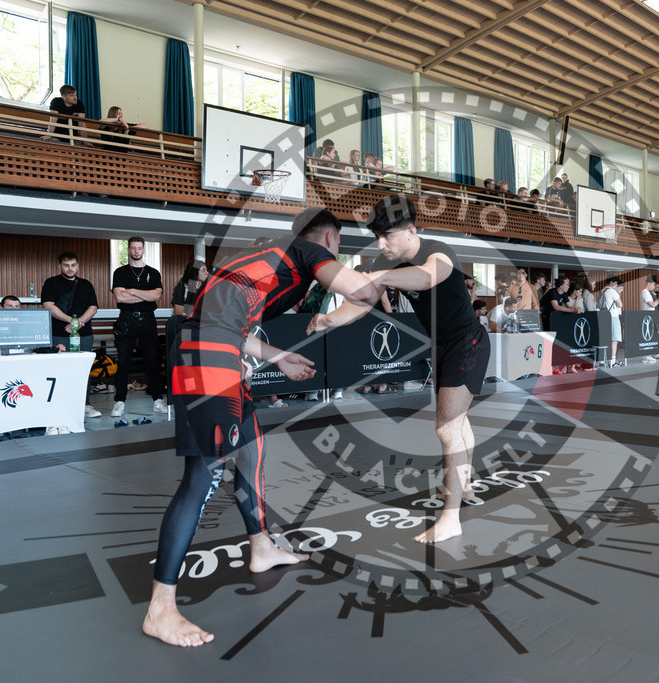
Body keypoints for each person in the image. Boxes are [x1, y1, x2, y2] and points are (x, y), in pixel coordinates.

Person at [143, 207, 379, 647]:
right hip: (206, 356)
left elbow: (226, 320)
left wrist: (277, 357)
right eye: (336, 248)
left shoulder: (266, 254)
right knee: (204, 476)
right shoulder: (308, 250)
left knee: (252, 444)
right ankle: (160, 607)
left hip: (216, 347)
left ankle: (262, 546)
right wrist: (334, 315)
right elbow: (363, 291)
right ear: (328, 240)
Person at [308, 194, 491, 544]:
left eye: (387, 236)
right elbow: (361, 303)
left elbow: (425, 278)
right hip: (442, 346)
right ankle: (464, 486)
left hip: (468, 342)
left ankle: (451, 518)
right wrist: (327, 320)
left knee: (447, 426)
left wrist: (380, 274)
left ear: (410, 230)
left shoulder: (438, 252)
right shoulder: (384, 261)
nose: (381, 244)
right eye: (377, 237)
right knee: (458, 422)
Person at [111, 236, 165, 417]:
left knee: (152, 361)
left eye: (139, 248)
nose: (136, 251)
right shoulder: (120, 272)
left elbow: (157, 296)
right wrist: (145, 295)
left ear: (143, 250)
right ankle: (119, 402)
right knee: (124, 361)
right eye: (133, 248)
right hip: (126, 319)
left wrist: (132, 291)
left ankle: (158, 400)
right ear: (128, 250)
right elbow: (120, 298)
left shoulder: (153, 272)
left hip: (148, 320)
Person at [41, 251, 100, 417]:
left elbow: (93, 307)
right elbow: (48, 305)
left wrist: (78, 323)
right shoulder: (51, 283)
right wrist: (71, 321)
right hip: (58, 334)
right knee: (58, 370)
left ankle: (85, 404)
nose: (70, 268)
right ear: (60, 266)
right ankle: (59, 406)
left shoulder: (86, 284)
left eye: (73, 265)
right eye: (66, 265)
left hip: (84, 334)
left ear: (78, 265)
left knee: (83, 369)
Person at [600, 277, 623, 366]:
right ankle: (612, 360)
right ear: (611, 282)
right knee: (615, 339)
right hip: (613, 316)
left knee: (606, 339)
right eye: (616, 283)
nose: (616, 285)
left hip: (604, 317)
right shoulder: (612, 291)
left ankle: (603, 360)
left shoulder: (602, 291)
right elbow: (620, 304)